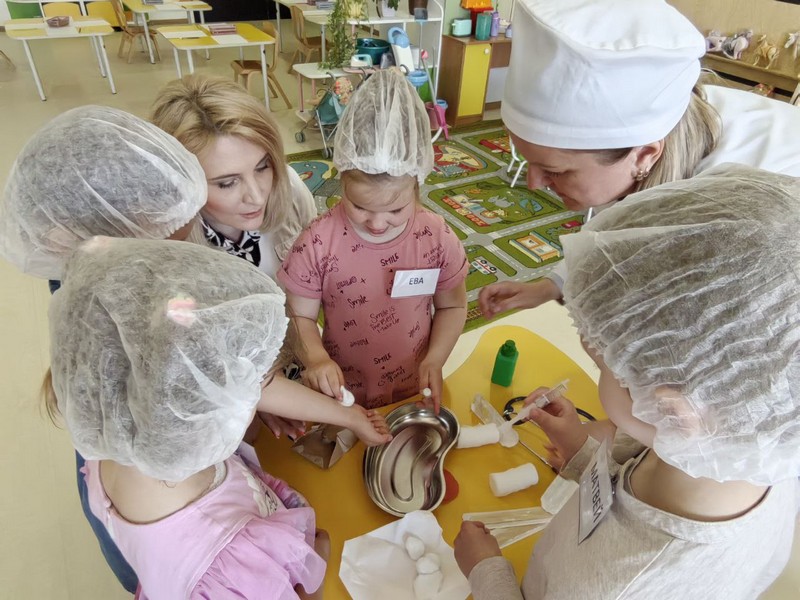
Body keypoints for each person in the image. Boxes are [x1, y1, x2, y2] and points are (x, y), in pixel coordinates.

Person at [454, 164, 800, 599]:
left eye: (605, 364)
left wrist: (486, 571)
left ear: (670, 410)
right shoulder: (746, 455)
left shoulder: (615, 585)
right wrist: (579, 449)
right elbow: (621, 493)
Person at [46, 237, 392, 599]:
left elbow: (255, 388)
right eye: (252, 390)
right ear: (201, 406)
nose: (259, 399)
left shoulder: (125, 438)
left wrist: (350, 416)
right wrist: (317, 560)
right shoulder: (230, 569)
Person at [478, 0, 800, 321]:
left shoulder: (735, 215)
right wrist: (551, 285)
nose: (533, 184)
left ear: (645, 155)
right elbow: (613, 228)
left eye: (554, 171)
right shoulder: (639, 146)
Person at [0, 105, 210, 594]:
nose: (181, 259)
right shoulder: (110, 324)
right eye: (165, 252)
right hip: (158, 524)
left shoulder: (97, 268)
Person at [278, 69, 468, 411]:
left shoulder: (436, 238)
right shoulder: (317, 243)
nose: (377, 223)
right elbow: (300, 316)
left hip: (413, 385)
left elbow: (452, 306)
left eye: (396, 209)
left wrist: (435, 359)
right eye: (360, 206)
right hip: (343, 392)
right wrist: (316, 359)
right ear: (341, 180)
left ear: (417, 185)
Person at [150, 74, 316, 280]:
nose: (257, 198)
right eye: (227, 183)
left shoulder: (290, 186)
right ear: (181, 185)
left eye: (263, 167)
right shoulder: (168, 244)